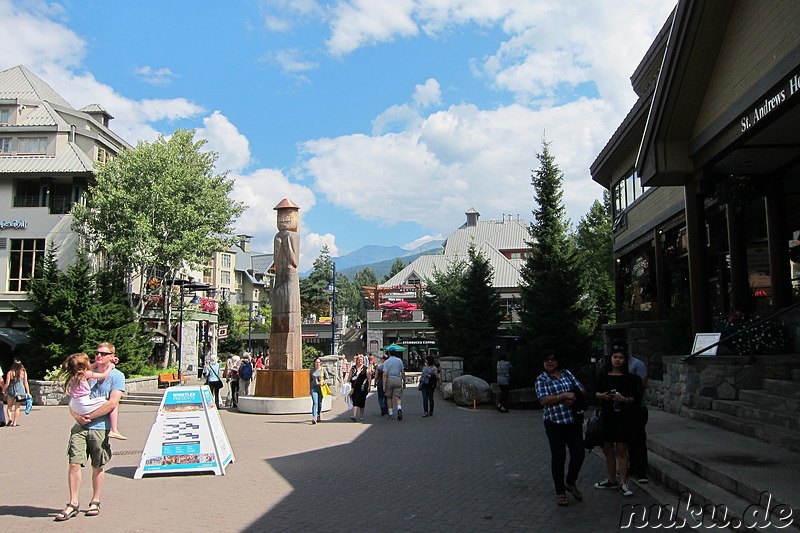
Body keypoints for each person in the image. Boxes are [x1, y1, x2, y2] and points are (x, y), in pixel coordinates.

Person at [56, 343, 125, 521]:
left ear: (112, 356)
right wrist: (78, 417)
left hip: (100, 427)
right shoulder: (85, 372)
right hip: (80, 427)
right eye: (97, 353)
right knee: (74, 463)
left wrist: (89, 415)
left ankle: (95, 500)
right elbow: (73, 400)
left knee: (97, 465)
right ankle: (73, 503)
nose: (99, 356)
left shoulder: (117, 376)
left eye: (103, 353)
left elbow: (112, 403)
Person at [535, 349, 586, 507]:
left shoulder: (567, 374)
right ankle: (560, 492)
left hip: (572, 421)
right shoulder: (542, 379)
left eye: (552, 359)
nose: (549, 362)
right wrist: (563, 396)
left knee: (579, 453)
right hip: (554, 422)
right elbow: (543, 400)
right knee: (558, 457)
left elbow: (582, 390)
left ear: (557, 361)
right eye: (546, 360)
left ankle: (570, 482)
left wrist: (574, 396)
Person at [593, 346, 642, 498]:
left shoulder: (631, 378)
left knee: (621, 449)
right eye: (615, 357)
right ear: (611, 358)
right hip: (607, 416)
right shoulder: (603, 375)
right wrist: (602, 396)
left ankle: (624, 482)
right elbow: (595, 392)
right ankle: (611, 479)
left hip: (623, 417)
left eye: (621, 357)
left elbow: (637, 398)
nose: (618, 360)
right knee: (607, 449)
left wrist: (624, 399)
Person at [61, 353, 126, 439]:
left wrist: (109, 360)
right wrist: (110, 366)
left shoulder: (75, 374)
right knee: (112, 403)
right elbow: (104, 375)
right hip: (84, 405)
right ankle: (114, 430)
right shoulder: (86, 374)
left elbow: (91, 366)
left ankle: (113, 429)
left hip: (75, 405)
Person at [626, 347, 649, 484]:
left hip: (637, 407)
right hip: (623, 409)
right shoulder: (615, 366)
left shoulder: (637, 364)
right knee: (628, 440)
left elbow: (643, 383)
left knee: (639, 439)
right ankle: (633, 466)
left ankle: (641, 470)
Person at [4, 358, 30, 427]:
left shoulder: (10, 373)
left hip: (12, 390)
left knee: (9, 406)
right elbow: (25, 382)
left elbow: (7, 383)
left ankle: (10, 418)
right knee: (17, 407)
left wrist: (4, 390)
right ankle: (14, 422)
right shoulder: (23, 372)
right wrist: (28, 392)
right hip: (21, 391)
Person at [382, 348, 405, 421]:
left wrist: (384, 385)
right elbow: (403, 372)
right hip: (398, 379)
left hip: (390, 379)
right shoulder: (399, 361)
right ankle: (399, 408)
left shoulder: (386, 362)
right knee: (397, 397)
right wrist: (404, 381)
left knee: (389, 397)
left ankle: (391, 413)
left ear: (389, 353)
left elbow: (385, 374)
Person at [348, 354, 371, 422]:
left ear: (363, 361)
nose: (360, 361)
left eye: (361, 360)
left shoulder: (366, 369)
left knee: (362, 402)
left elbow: (369, 378)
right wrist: (347, 385)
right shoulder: (353, 368)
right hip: (354, 387)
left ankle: (361, 415)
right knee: (355, 401)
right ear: (357, 360)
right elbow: (349, 377)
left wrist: (369, 386)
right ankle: (354, 415)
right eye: (359, 360)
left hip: (363, 387)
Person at [309, 357, 328, 424]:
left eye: (318, 362)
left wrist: (323, 382)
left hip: (321, 388)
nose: (317, 364)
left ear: (320, 363)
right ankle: (314, 417)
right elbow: (310, 380)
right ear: (314, 363)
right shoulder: (312, 370)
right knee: (315, 403)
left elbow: (327, 379)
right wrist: (310, 389)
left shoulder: (323, 370)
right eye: (316, 362)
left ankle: (318, 415)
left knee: (319, 403)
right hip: (314, 388)